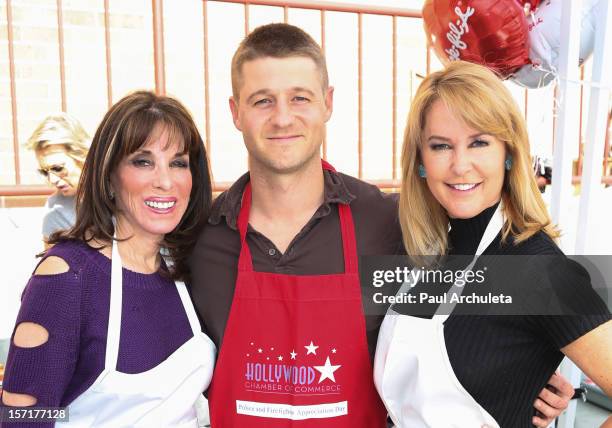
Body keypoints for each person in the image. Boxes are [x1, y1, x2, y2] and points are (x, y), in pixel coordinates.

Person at [189, 23, 572, 427]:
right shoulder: (200, 237)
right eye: (262, 101)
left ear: (327, 103)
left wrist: (520, 372)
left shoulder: (389, 223)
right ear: (235, 112)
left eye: (299, 98)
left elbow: (486, 297)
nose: (283, 118)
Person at [374, 60, 612, 427]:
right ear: (420, 162)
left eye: (479, 142)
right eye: (440, 146)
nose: (460, 165)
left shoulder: (539, 271)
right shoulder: (427, 254)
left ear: (509, 154)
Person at [1, 91, 216, 427]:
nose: (165, 180)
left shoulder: (187, 266)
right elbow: (22, 417)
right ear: (109, 176)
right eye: (143, 161)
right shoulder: (68, 276)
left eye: (178, 163)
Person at [25, 113, 90, 245]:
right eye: (45, 172)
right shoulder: (54, 210)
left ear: (83, 156)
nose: (52, 180)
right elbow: (49, 262)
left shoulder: (119, 196)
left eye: (58, 168)